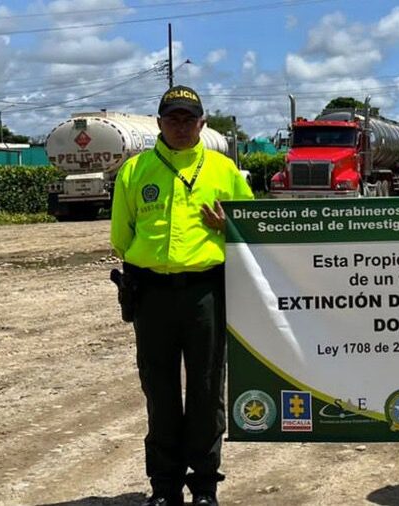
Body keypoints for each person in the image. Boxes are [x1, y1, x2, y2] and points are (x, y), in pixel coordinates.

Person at [111, 85, 254, 506]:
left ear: (202, 124)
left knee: (207, 391)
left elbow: (253, 233)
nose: (180, 126)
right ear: (158, 123)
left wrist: (227, 228)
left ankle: (205, 486)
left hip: (205, 294)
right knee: (160, 391)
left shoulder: (224, 171)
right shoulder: (135, 171)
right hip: (152, 296)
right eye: (172, 118)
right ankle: (165, 487)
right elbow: (122, 236)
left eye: (188, 119)